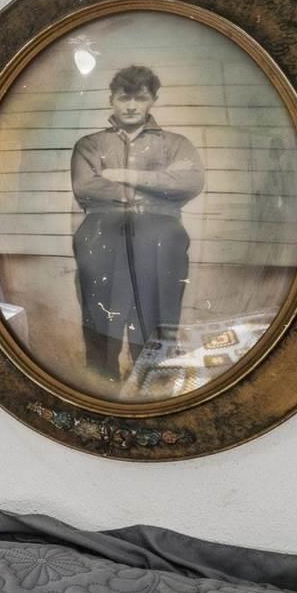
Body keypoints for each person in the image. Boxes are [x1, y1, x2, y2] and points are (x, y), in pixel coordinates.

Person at [69, 63, 204, 389]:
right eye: (123, 97)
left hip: (161, 237)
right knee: (102, 315)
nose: (131, 106)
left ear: (152, 100)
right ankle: (101, 391)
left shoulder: (176, 143)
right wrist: (157, 187)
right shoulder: (90, 145)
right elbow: (86, 187)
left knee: (159, 313)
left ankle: (153, 392)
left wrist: (127, 176)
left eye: (140, 98)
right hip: (102, 234)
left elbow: (188, 183)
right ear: (111, 99)